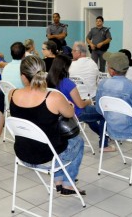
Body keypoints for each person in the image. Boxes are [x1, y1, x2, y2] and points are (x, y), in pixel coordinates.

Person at [9, 55, 86, 196]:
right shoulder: (53, 97)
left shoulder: (12, 94)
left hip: (23, 154)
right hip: (47, 159)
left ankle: (57, 181)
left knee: (56, 141)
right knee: (78, 141)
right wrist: (68, 105)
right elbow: (70, 114)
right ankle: (68, 184)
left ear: (23, 77)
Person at [47, 55, 114, 152]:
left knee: (92, 118)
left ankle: (103, 135)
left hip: (62, 113)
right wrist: (89, 101)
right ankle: (104, 144)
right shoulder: (68, 83)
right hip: (77, 113)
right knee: (104, 113)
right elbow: (80, 105)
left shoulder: (49, 81)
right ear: (65, 68)